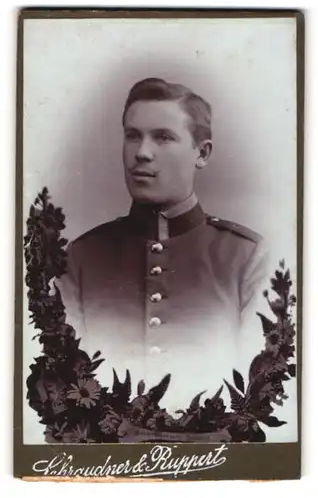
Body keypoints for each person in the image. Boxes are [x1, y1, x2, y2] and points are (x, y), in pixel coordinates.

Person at [56, 77, 270, 404]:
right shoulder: (82, 257)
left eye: (163, 137)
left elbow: (258, 394)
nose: (141, 153)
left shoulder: (248, 258)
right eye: (132, 136)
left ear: (202, 153)